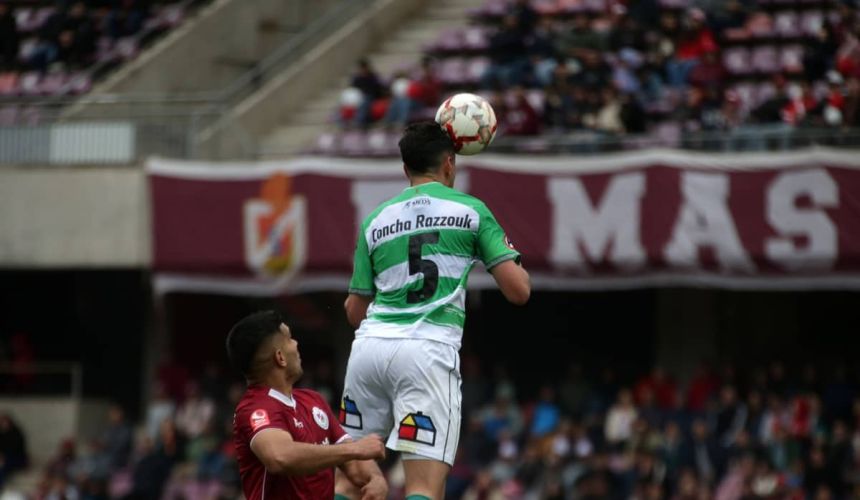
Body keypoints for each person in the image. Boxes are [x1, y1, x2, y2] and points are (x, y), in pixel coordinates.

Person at [337, 121, 531, 499]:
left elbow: (353, 312)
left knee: (349, 479)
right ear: (449, 163)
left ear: (405, 169)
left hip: (368, 351)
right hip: (426, 352)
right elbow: (518, 291)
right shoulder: (472, 211)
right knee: (424, 487)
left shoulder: (375, 220)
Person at [226, 310, 387, 500]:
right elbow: (280, 457)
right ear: (280, 358)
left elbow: (353, 461)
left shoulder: (313, 400)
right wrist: (355, 449)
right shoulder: (254, 408)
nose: (296, 344)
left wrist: (376, 479)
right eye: (290, 339)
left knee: (353, 486)